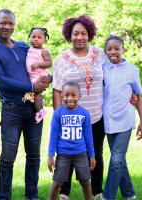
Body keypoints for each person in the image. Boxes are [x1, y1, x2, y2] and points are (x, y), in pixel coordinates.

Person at [0, 9, 50, 200]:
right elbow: (1, 81)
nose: (6, 27)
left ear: (14, 25)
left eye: (10, 23)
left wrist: (47, 78)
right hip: (12, 110)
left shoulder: (22, 47)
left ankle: (32, 194)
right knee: (8, 158)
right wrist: (32, 86)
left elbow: (40, 63)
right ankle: (4, 196)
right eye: (3, 23)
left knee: (34, 155)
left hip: (34, 108)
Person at [52, 15, 106, 200]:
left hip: (97, 115)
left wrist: (130, 91)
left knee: (96, 154)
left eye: (83, 33)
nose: (79, 37)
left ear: (89, 34)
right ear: (69, 35)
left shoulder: (100, 54)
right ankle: (64, 192)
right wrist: (59, 116)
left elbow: (112, 78)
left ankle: (98, 191)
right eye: (75, 33)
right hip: (71, 117)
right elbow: (57, 90)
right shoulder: (62, 59)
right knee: (67, 153)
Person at [102, 35, 142, 200]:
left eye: (116, 48)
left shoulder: (132, 70)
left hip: (125, 120)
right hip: (108, 120)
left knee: (116, 159)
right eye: (109, 49)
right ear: (105, 51)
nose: (113, 52)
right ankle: (129, 194)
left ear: (123, 49)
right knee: (120, 160)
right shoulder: (102, 68)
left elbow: (138, 96)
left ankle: (107, 196)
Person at [48, 81, 96, 200]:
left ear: (79, 96)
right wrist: (50, 155)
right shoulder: (58, 113)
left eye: (73, 95)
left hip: (81, 154)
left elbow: (88, 136)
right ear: (62, 96)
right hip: (63, 154)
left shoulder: (84, 114)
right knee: (57, 182)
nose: (70, 98)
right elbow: (53, 135)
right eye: (66, 95)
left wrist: (92, 155)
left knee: (85, 181)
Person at [23, 27, 52, 123]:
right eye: (33, 37)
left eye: (39, 37)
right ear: (29, 38)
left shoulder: (44, 51)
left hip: (39, 75)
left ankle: (40, 111)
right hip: (32, 76)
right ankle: (38, 105)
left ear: (44, 40)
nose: (36, 39)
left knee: (35, 94)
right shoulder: (29, 49)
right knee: (33, 94)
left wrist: (38, 64)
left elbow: (49, 63)